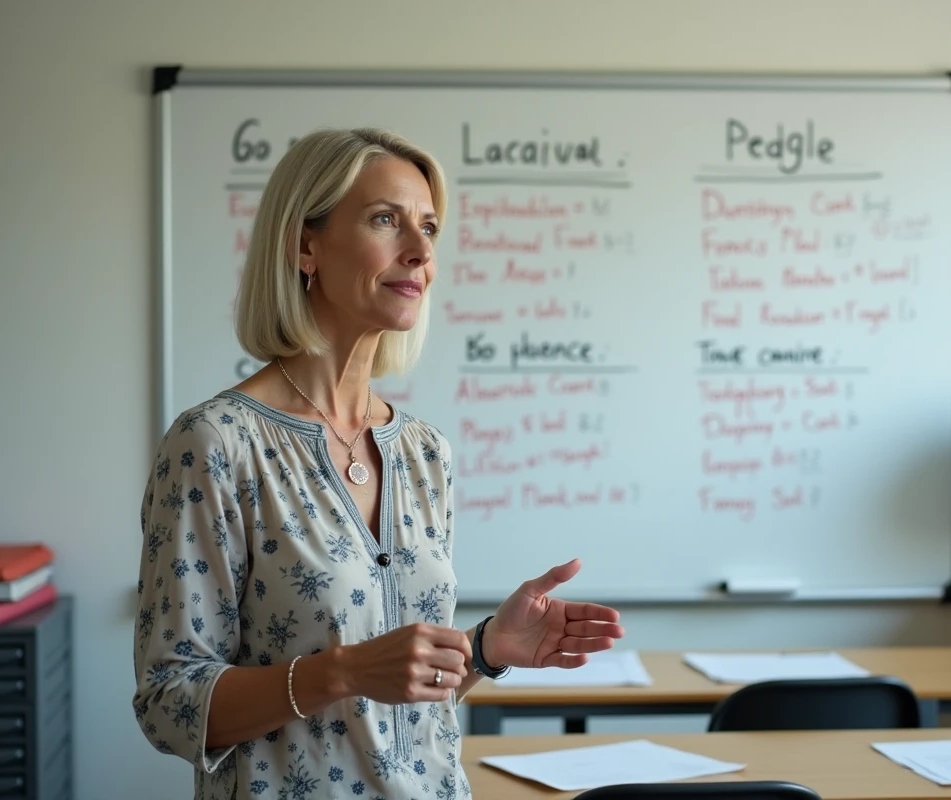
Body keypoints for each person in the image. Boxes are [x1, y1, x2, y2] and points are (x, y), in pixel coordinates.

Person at [132, 128, 625, 800]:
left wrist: (483, 649)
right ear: (306, 245)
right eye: (385, 220)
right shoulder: (215, 444)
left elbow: (399, 700)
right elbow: (169, 701)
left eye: (428, 228)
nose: (421, 251)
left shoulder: (423, 451)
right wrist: (341, 672)